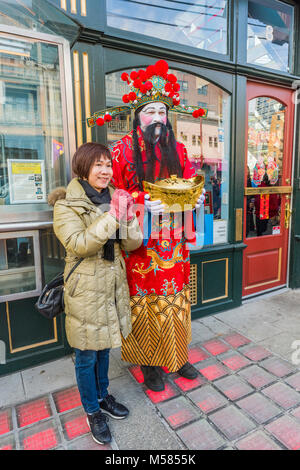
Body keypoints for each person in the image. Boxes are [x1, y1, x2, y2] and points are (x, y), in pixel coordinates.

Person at [109, 60, 205, 392]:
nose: (158, 118)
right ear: (137, 115)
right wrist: (138, 201)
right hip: (143, 249)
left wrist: (195, 194)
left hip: (175, 245)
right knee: (146, 305)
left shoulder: (178, 149)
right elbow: (113, 193)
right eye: (150, 111)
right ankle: (150, 363)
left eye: (163, 112)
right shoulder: (121, 151)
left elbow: (192, 184)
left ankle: (177, 356)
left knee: (177, 299)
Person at [49, 142, 143, 445]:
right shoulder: (65, 205)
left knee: (104, 348)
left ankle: (103, 397)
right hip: (85, 289)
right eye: (98, 164)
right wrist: (115, 214)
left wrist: (128, 216)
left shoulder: (114, 198)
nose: (105, 171)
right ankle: (92, 410)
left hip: (112, 285)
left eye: (108, 164)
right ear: (83, 167)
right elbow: (79, 244)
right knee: (86, 355)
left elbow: (132, 245)